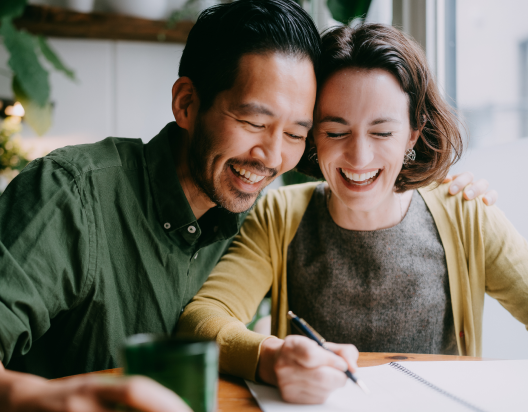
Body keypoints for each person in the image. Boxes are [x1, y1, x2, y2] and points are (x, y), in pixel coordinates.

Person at [176, 23, 528, 405]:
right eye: (336, 131)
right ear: (313, 136)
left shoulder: (466, 214)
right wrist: (271, 357)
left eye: (382, 133)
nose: (359, 158)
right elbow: (203, 319)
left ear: (412, 132)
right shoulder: (279, 214)